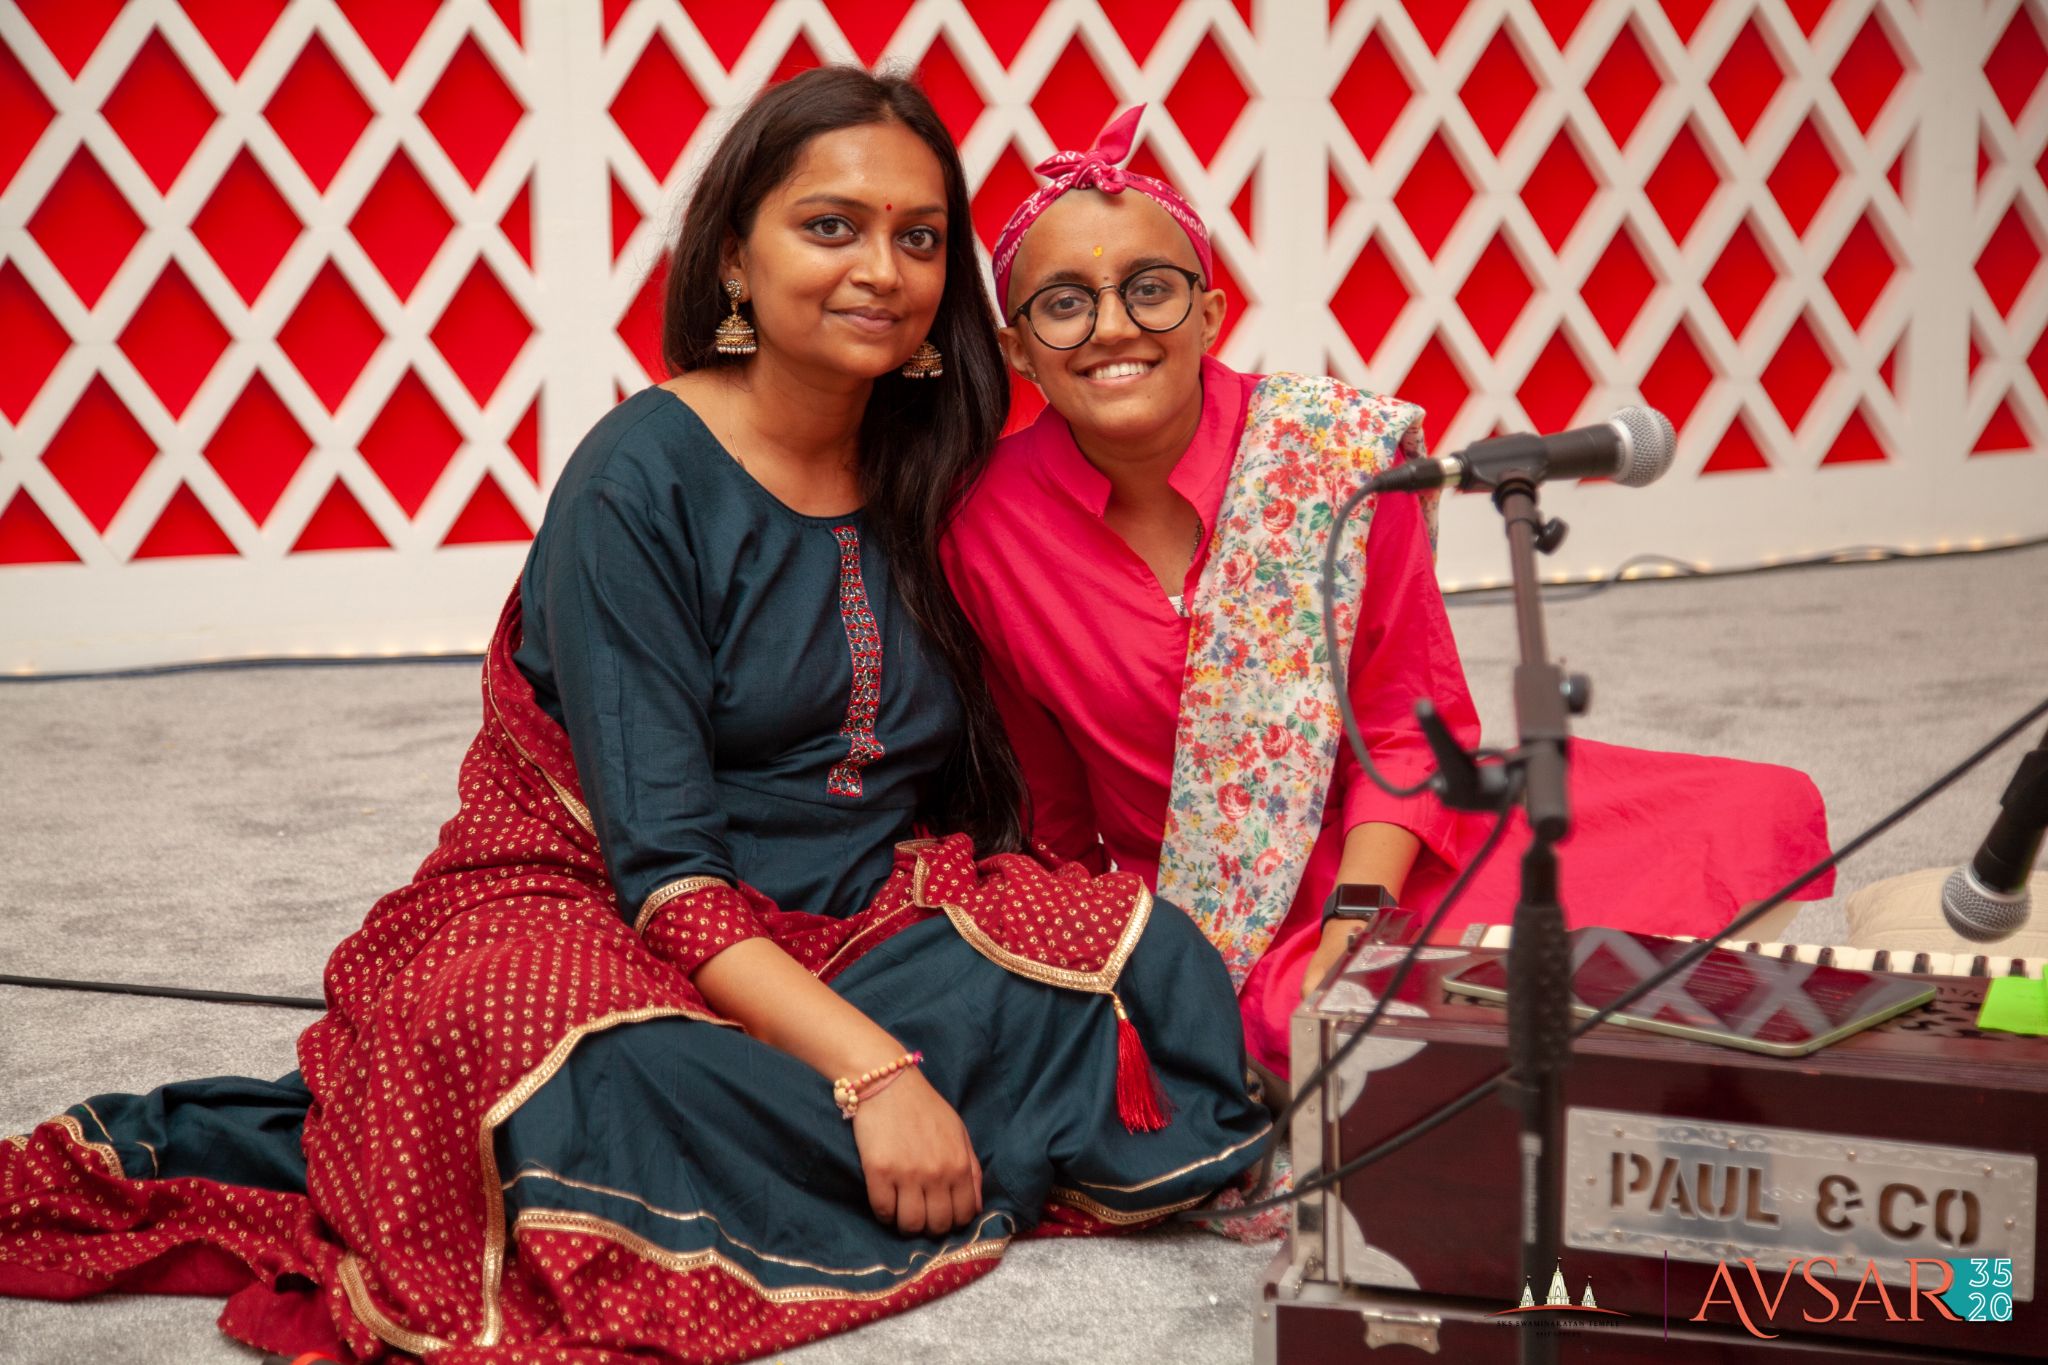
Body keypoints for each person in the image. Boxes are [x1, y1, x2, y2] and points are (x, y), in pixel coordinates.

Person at [0, 73, 1268, 1363]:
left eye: (918, 236)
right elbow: (660, 865)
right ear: (733, 255)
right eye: (830, 226)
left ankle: (787, 1131)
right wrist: (879, 1073)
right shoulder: (639, 475)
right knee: (591, 1071)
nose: (880, 269)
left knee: (1135, 956)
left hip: (855, 914)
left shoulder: (935, 454)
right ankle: (524, 1125)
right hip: (598, 914)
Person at [941, 107, 1836, 1083]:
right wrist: (1092, 968)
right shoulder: (983, 526)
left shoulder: (1334, 456)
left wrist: (1354, 921)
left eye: (1148, 289)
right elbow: (1049, 796)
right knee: (1309, 1030)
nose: (1112, 327)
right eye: (1063, 303)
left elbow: (1403, 728)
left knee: (1747, 817)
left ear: (1207, 312)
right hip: (1209, 904)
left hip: (1390, 845)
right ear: (1017, 347)